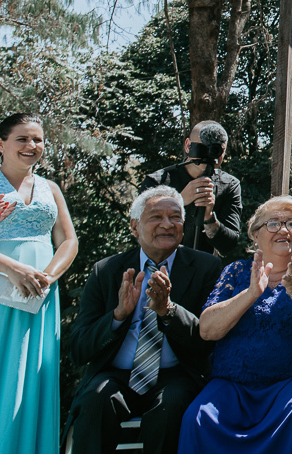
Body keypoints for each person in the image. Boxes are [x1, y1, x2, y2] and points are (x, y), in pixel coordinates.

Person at [179, 196, 292, 454]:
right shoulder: (236, 272)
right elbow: (207, 329)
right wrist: (252, 292)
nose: (284, 230)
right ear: (255, 235)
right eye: (273, 223)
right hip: (234, 385)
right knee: (197, 417)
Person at [67, 187, 222, 454]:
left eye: (175, 217)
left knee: (172, 408)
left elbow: (208, 342)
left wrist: (168, 311)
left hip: (176, 375)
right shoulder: (106, 271)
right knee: (96, 400)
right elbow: (79, 349)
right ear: (134, 227)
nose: (167, 224)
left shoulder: (208, 268)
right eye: (156, 217)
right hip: (114, 374)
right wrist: (118, 315)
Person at [0, 113, 78, 454]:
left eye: (38, 140)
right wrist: (12, 268)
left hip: (41, 295)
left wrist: (47, 276)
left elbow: (68, 241)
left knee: (31, 374)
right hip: (2, 286)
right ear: (1, 144)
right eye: (23, 139)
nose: (32, 146)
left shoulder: (51, 188)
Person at [140, 121, 242, 256]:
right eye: (203, 148)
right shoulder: (158, 181)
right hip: (162, 265)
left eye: (216, 150)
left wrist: (209, 217)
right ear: (188, 145)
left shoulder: (228, 185)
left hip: (204, 270)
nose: (209, 155)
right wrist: (179, 201)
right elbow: (141, 231)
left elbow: (229, 246)